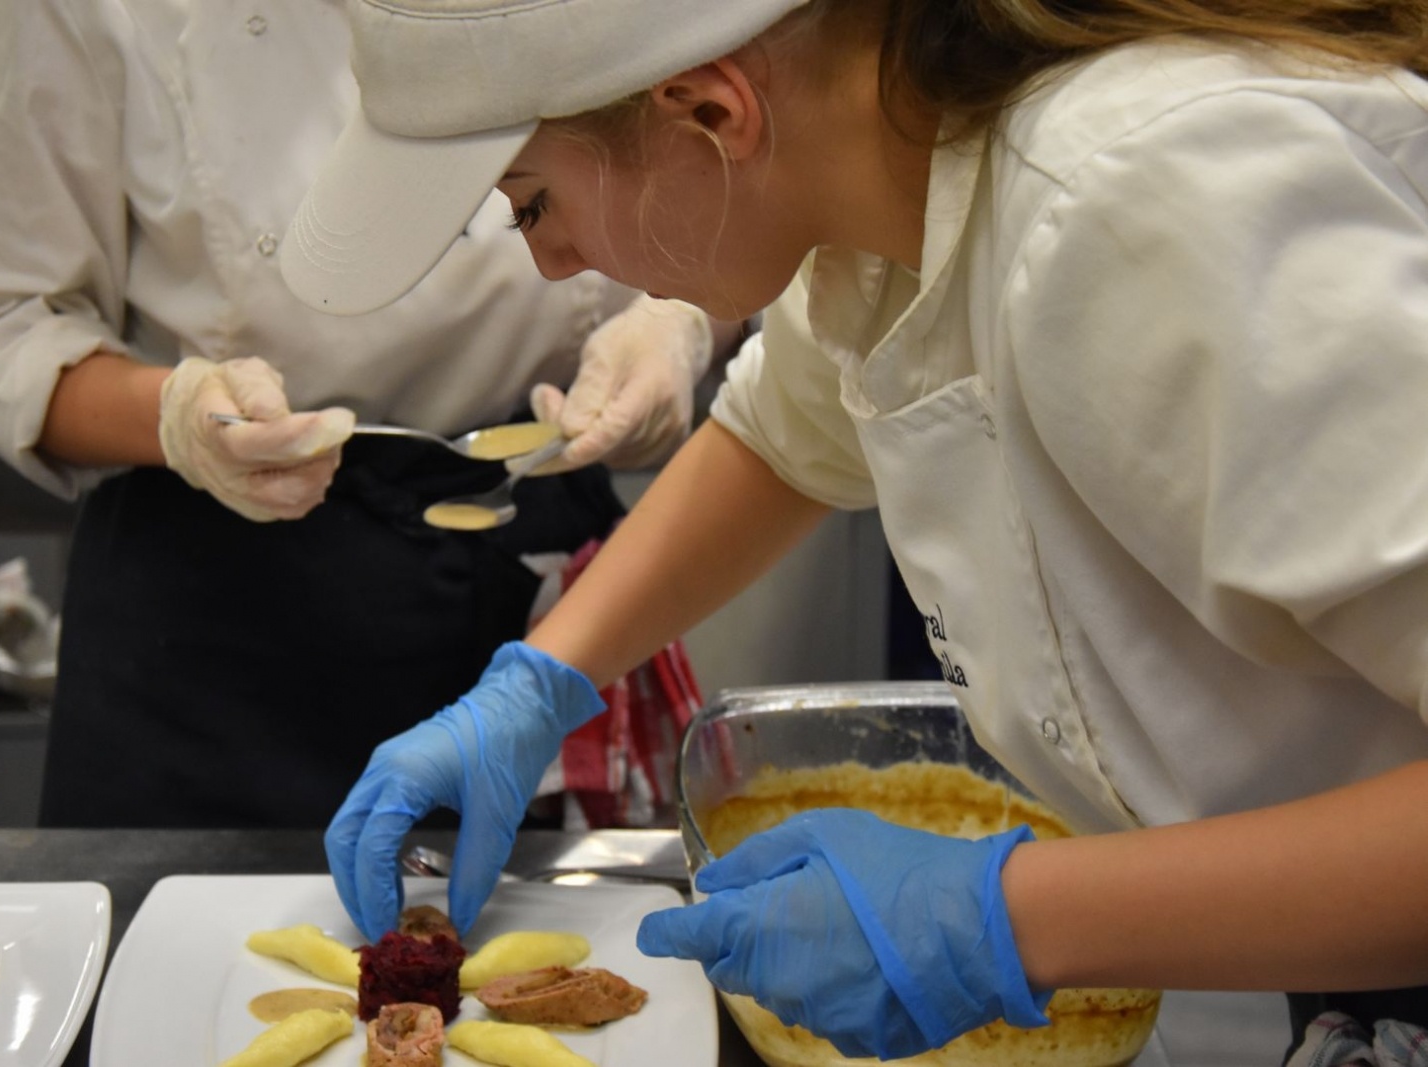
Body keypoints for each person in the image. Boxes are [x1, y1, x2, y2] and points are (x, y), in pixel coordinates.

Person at [291, 0, 1428, 1060]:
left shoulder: (1144, 200)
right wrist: (539, 682)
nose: (550, 260)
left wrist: (998, 921)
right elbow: (783, 438)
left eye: (535, 202)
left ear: (711, 112)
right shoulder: (886, 209)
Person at [0, 0, 741, 829]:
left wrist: (682, 318)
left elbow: (752, 175)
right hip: (218, 605)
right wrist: (180, 417)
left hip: (537, 551)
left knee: (554, 959)